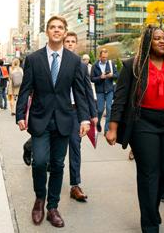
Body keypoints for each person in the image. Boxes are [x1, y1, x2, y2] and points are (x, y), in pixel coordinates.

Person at [106, 25, 164, 233]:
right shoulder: (132, 66)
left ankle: (151, 201)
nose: (162, 41)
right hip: (142, 123)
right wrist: (113, 127)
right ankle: (150, 223)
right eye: (157, 38)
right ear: (148, 42)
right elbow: (119, 99)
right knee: (148, 173)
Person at [15, 16, 90, 228]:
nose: (56, 31)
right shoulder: (33, 59)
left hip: (65, 120)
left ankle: (52, 207)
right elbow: (25, 89)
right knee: (39, 162)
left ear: (65, 32)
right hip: (40, 119)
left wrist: (84, 118)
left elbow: (80, 92)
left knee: (58, 164)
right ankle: (40, 199)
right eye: (52, 27)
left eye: (60, 28)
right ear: (47, 32)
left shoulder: (74, 61)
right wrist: (21, 114)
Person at [62, 31, 98, 202]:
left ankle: (75, 185)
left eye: (72, 41)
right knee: (54, 150)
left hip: (76, 112)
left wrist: (93, 114)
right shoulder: (56, 63)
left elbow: (87, 91)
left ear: (76, 44)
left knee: (75, 146)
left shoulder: (82, 66)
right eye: (66, 41)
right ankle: (31, 148)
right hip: (58, 112)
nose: (69, 44)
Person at [91, 48, 118, 133]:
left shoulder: (111, 64)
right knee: (99, 110)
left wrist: (112, 75)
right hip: (100, 91)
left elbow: (117, 75)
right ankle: (98, 122)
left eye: (106, 57)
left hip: (109, 90)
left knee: (109, 109)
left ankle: (106, 129)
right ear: (99, 57)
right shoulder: (95, 66)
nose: (105, 59)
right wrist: (100, 77)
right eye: (103, 57)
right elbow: (91, 79)